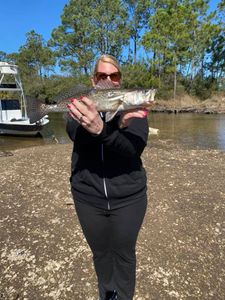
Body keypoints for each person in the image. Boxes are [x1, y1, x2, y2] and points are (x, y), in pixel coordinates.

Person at [66, 54, 149, 300]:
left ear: (120, 80)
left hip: (129, 198)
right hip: (87, 197)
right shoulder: (79, 105)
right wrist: (98, 126)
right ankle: (107, 294)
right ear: (94, 80)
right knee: (100, 253)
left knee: (124, 254)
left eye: (115, 76)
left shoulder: (133, 108)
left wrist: (116, 126)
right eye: (103, 75)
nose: (109, 80)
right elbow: (74, 135)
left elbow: (133, 150)